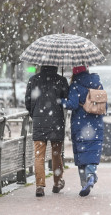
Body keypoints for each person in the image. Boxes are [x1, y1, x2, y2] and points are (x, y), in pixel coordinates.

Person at [61, 65, 106, 197]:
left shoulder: (75, 85)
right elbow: (105, 104)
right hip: (96, 124)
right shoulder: (98, 84)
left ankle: (84, 182)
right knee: (92, 151)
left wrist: (61, 100)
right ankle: (91, 174)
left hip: (80, 125)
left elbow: (72, 104)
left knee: (81, 154)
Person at [25, 65, 69, 197]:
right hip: (56, 122)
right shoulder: (61, 80)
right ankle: (57, 182)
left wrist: (35, 114)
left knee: (39, 155)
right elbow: (67, 98)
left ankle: (39, 186)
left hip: (39, 121)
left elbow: (28, 101)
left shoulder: (33, 80)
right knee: (56, 154)